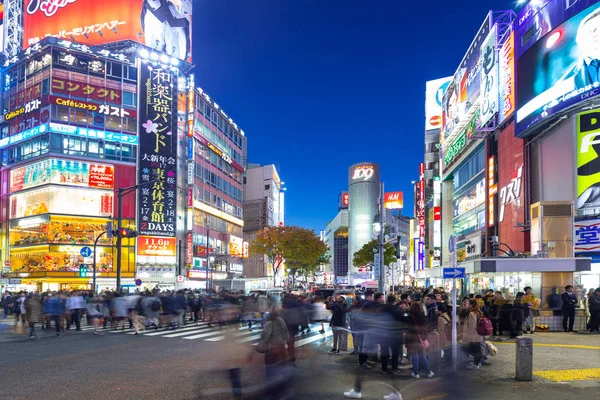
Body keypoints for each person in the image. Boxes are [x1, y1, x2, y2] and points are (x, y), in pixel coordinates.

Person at [260, 309, 289, 400]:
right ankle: (282, 391)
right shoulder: (281, 320)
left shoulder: (269, 323)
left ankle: (272, 392)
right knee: (281, 369)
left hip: (271, 350)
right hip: (281, 348)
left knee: (270, 371)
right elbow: (286, 335)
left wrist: (263, 332)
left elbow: (265, 337)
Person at [405, 301, 434, 379]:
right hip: (422, 338)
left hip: (412, 338)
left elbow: (406, 326)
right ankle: (428, 372)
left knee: (414, 355)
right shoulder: (424, 318)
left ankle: (416, 373)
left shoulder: (409, 318)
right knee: (422, 355)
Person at [461, 298, 484, 369]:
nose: (467, 305)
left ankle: (476, 364)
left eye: (468, 303)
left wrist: (468, 334)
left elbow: (472, 325)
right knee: (476, 349)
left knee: (474, 350)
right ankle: (477, 363)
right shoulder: (477, 311)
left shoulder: (472, 313)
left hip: (474, 335)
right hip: (477, 334)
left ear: (471, 305)